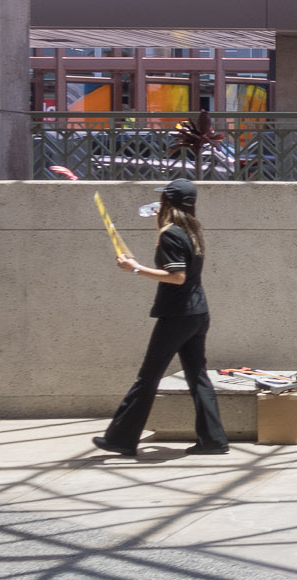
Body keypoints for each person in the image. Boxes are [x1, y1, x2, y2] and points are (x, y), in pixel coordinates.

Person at [93, 177, 228, 458]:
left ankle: (121, 438)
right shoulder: (190, 231)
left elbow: (177, 276)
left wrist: (134, 269)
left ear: (167, 201)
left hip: (177, 316)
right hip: (197, 313)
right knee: (198, 377)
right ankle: (213, 440)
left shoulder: (171, 234)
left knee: (148, 377)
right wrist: (160, 224)